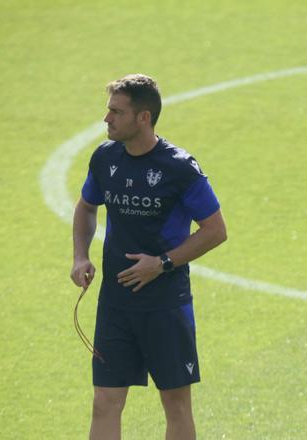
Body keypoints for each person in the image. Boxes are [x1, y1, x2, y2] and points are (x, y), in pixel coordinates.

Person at [70, 74, 227, 440]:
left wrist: (163, 263)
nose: (106, 119)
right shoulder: (105, 158)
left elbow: (216, 230)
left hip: (166, 305)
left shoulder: (179, 167)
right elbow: (86, 208)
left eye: (116, 112)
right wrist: (80, 256)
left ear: (143, 117)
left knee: (175, 404)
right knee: (104, 402)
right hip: (115, 304)